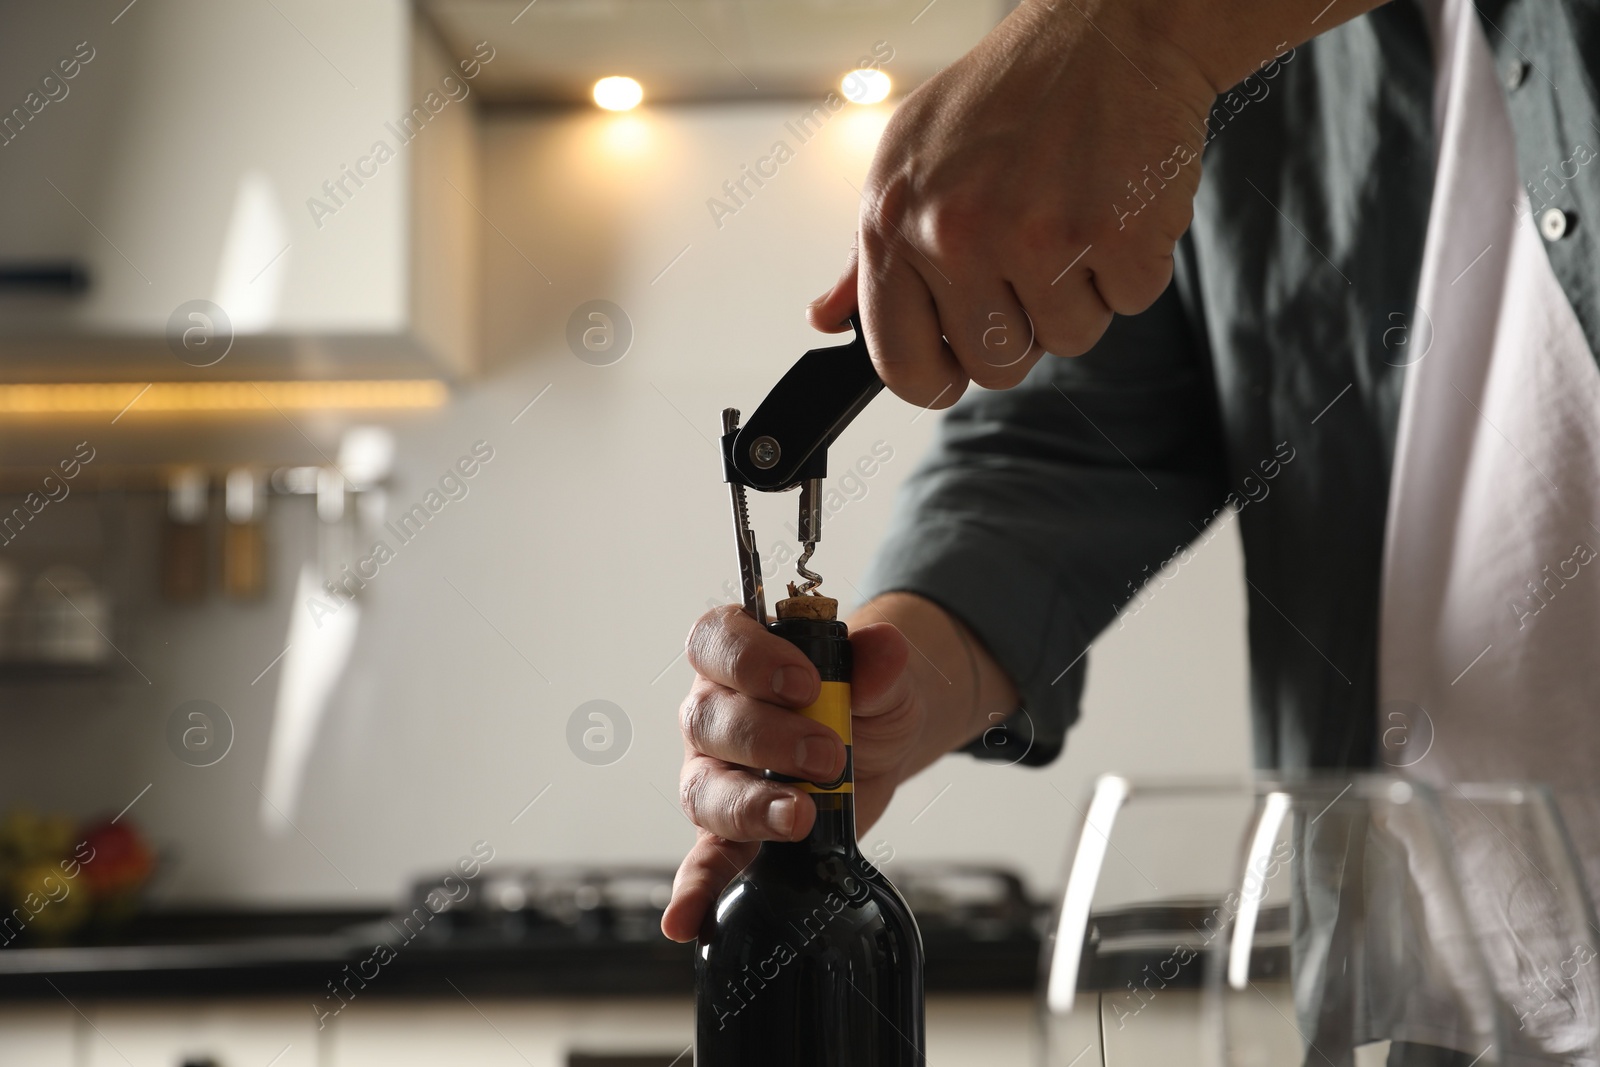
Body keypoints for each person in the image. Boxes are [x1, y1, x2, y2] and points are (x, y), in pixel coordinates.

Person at [664, 1, 1600, 1049]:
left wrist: (1134, 33)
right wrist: (904, 682)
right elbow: (1067, 443)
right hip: (1434, 1010)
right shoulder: (1256, 83)